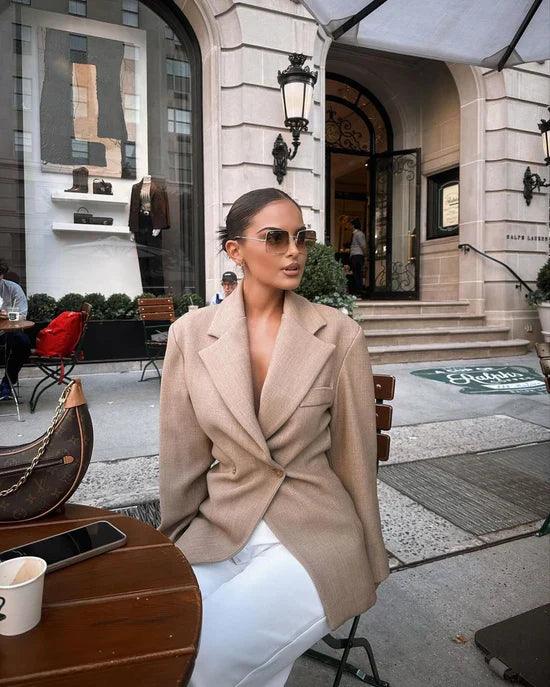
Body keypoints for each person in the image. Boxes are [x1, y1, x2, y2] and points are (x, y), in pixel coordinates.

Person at [159, 188, 389, 687]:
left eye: (301, 237)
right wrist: (173, 543)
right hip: (220, 525)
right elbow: (182, 456)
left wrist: (367, 555)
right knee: (163, 640)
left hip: (316, 529)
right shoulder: (190, 334)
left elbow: (355, 457)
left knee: (209, 662)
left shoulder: (338, 334)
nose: (294, 251)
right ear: (235, 250)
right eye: (276, 238)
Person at [0, 259, 31, 400]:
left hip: (8, 331)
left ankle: (7, 383)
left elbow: (22, 315)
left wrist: (7, 315)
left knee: (23, 343)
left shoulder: (13, 289)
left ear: (2, 275)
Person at [349, 217, 367, 294]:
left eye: (350, 225)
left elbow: (363, 246)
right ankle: (357, 290)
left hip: (358, 256)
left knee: (358, 274)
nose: (350, 227)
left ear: (353, 225)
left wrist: (365, 256)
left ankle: (359, 290)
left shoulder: (359, 234)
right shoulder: (355, 234)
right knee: (356, 274)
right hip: (354, 256)